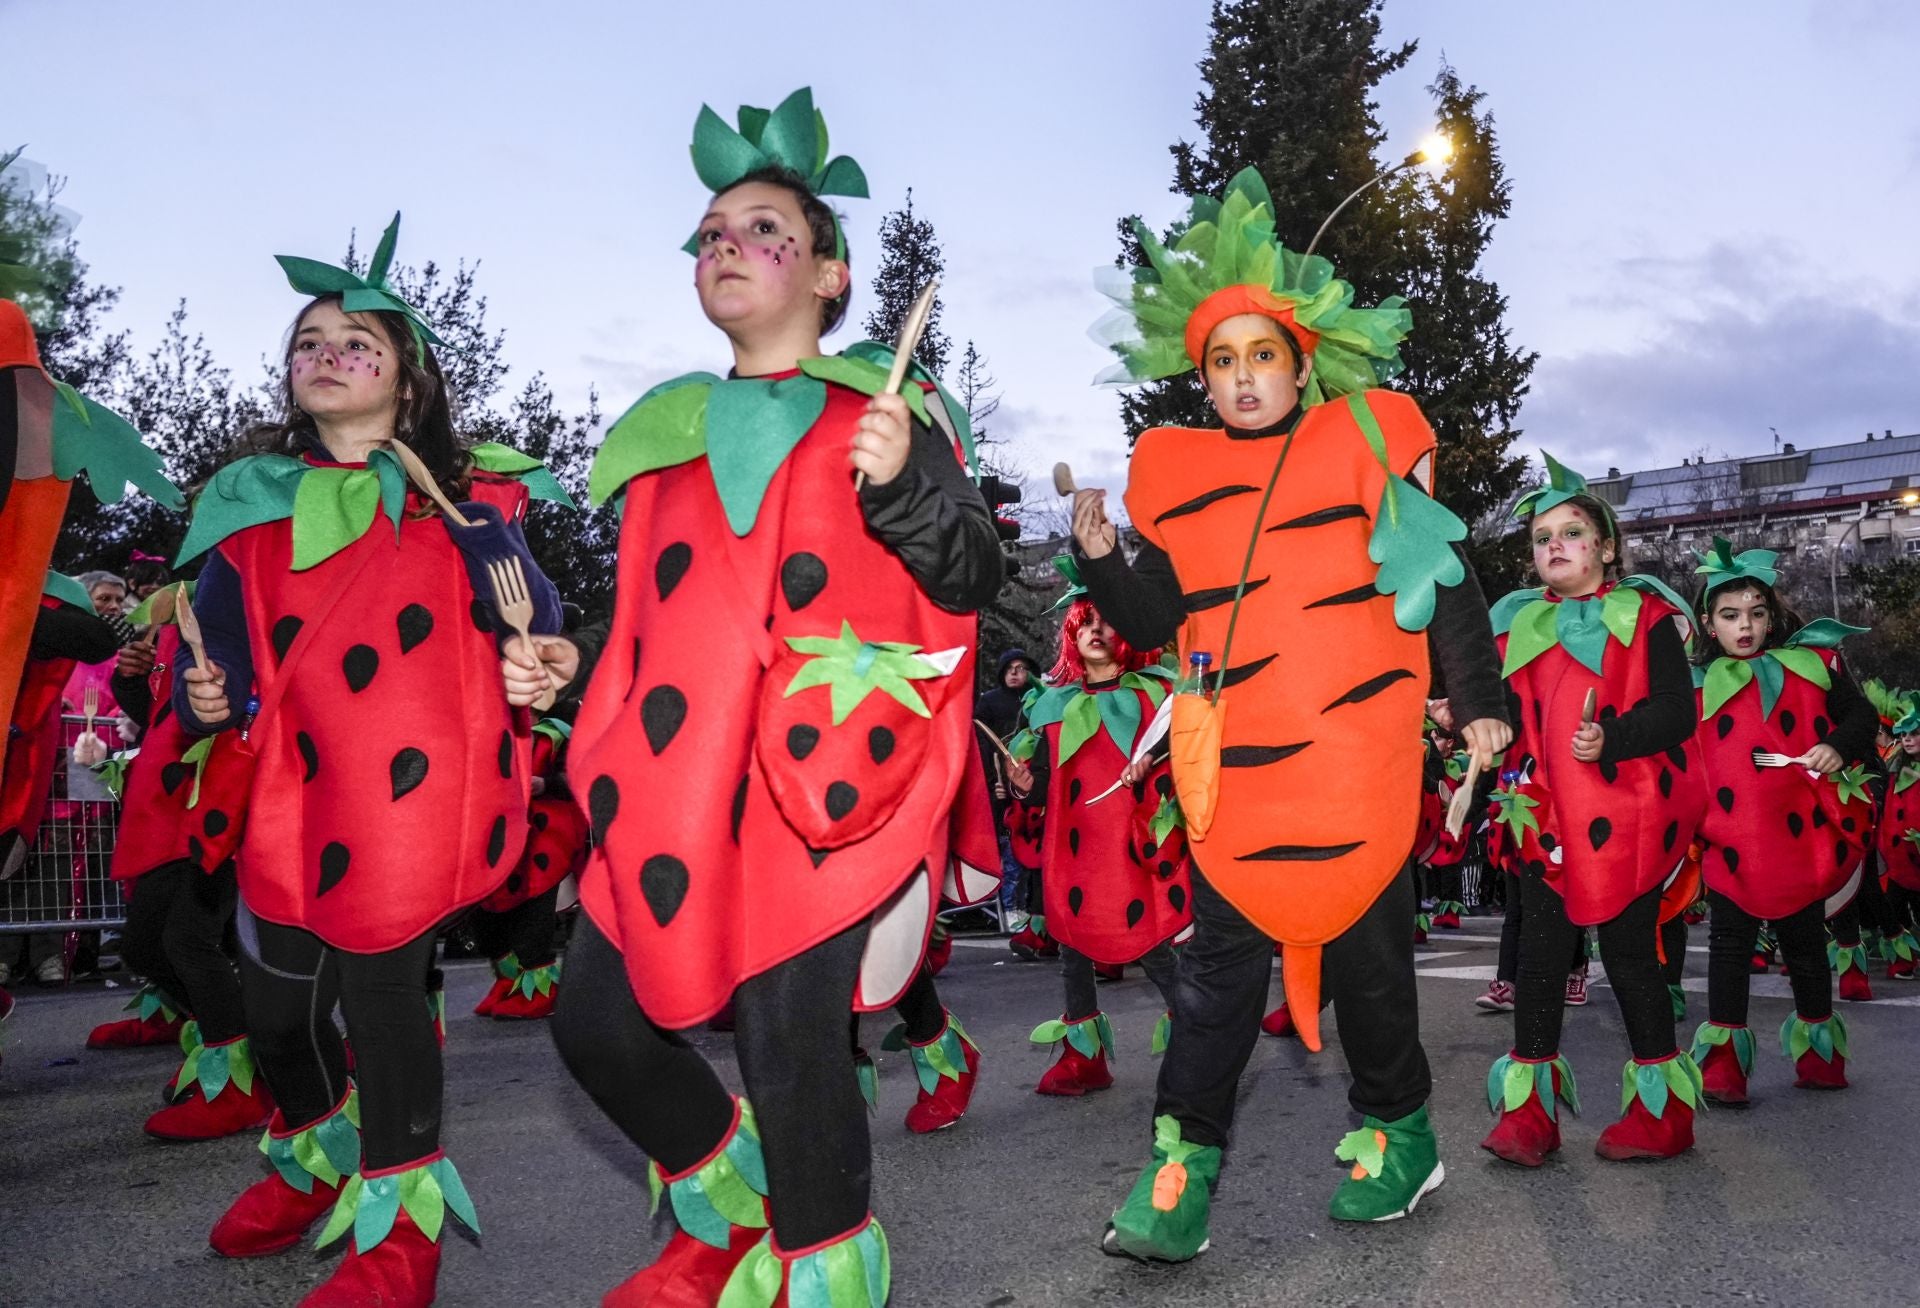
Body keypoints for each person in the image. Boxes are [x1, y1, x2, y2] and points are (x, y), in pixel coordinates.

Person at [528, 88, 1000, 1306]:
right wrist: (578, 658)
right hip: (677, 783)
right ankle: (732, 1200)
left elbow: (969, 573)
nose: (726, 245)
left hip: (811, 781)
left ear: (830, 277)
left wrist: (902, 486)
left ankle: (824, 1272)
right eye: (711, 233)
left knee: (788, 1038)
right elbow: (666, 613)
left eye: (763, 229)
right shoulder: (671, 440)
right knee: (595, 1023)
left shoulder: (883, 414)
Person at [1071, 168, 1509, 1258]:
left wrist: (1477, 698)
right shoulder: (1174, 476)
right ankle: (1180, 1171)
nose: (1242, 377)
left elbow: (1440, 572)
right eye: (1222, 361)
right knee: (1217, 981)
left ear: (1301, 365)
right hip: (1239, 774)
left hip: (1356, 764)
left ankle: (1402, 1135)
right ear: (1203, 379)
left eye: (1262, 354)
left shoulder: (1364, 439)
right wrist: (1102, 561)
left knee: (1370, 970)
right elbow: (1152, 617)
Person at [172, 214, 561, 1307]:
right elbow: (218, 650)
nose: (328, 354)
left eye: (358, 342)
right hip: (295, 793)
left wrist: (537, 650)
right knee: (277, 1016)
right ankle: (312, 1156)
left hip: (411, 797)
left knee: (387, 1003)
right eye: (310, 341)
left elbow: (535, 615)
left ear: (407, 381)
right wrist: (207, 691)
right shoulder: (254, 510)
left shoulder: (466, 504)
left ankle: (399, 1237)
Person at [1477, 454, 1707, 1168]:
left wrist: (1613, 737)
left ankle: (1662, 1117)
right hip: (1544, 821)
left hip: (1628, 820)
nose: (1554, 546)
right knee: (1540, 962)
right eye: (1542, 537)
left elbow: (1677, 712)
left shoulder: (1647, 617)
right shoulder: (1516, 626)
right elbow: (1507, 718)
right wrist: (1470, 718)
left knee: (1632, 959)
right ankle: (1529, 1116)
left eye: (1571, 532)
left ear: (1606, 548)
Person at [1683, 538, 1876, 1104]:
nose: (1745, 626)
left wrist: (1836, 746)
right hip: (1729, 836)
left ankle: (1820, 1057)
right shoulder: (1693, 686)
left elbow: (1861, 715)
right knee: (1728, 947)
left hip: (1799, 833)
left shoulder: (1812, 667)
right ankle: (1723, 1069)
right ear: (1708, 623)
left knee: (1805, 946)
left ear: (1771, 617)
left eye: (1756, 613)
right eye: (1730, 615)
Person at [89, 578, 265, 1140]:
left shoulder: (242, 597)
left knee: (187, 941)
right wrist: (131, 677)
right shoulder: (178, 616)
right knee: (146, 946)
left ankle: (242, 1081)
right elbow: (159, 714)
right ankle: (252, 1049)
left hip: (217, 795)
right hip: (166, 800)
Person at [1004, 582, 1191, 1095]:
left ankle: (1197, 1043)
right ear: (1071, 635)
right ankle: (1084, 1060)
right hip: (1074, 851)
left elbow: (1183, 763)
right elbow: (1044, 783)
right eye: (1084, 622)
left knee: (1151, 944)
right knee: (1072, 948)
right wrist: (1024, 784)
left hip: (1130, 847)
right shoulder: (1053, 707)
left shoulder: (1155, 697)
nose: (1095, 631)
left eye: (1105, 621)